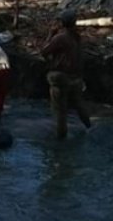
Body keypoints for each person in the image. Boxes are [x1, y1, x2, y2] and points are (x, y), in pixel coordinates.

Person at [40, 9, 91, 139]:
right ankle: (90, 128)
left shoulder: (60, 38)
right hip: (76, 78)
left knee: (60, 111)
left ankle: (60, 142)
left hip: (61, 77)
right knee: (79, 105)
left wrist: (50, 34)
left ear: (62, 23)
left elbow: (44, 51)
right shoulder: (77, 37)